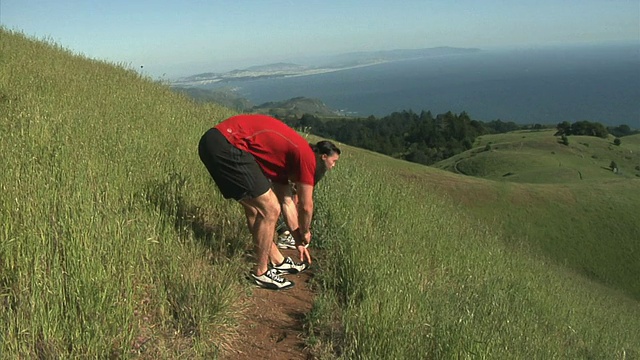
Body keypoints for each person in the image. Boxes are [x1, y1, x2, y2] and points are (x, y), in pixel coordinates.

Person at [198, 114, 341, 290]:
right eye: (334, 161)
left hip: (213, 143)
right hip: (226, 144)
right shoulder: (307, 158)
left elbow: (287, 202)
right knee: (270, 209)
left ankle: (276, 260)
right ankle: (261, 272)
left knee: (257, 210)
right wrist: (305, 232)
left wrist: (298, 240)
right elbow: (305, 206)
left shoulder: (284, 164)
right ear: (322, 157)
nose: (333, 166)